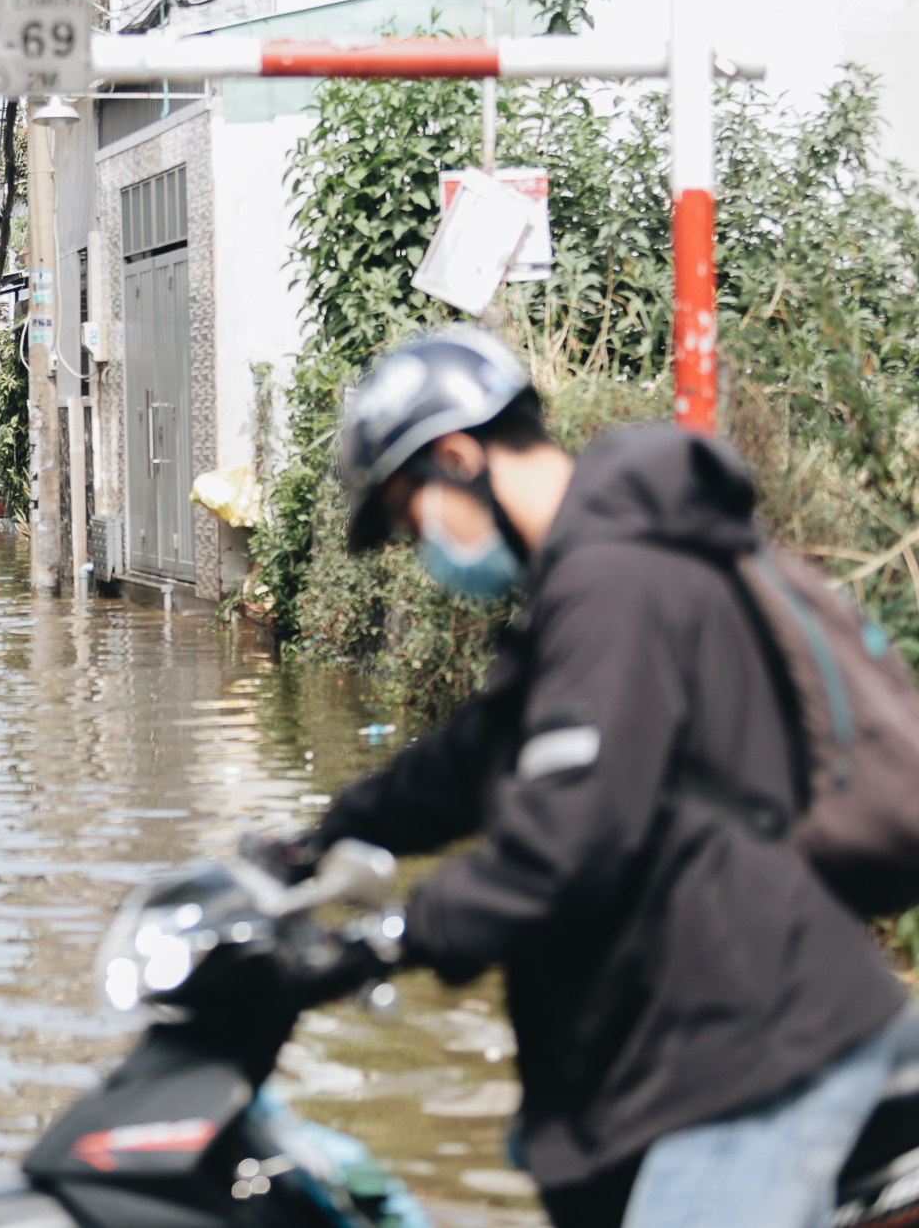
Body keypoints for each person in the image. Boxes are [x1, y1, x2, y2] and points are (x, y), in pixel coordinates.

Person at [301, 326, 906, 1228]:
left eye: (408, 511)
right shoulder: (595, 574)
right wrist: (318, 840)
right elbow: (474, 755)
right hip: (692, 1051)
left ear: (459, 459)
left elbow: (568, 838)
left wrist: (391, 934)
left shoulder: (614, 577)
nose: (417, 546)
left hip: (754, 1061)